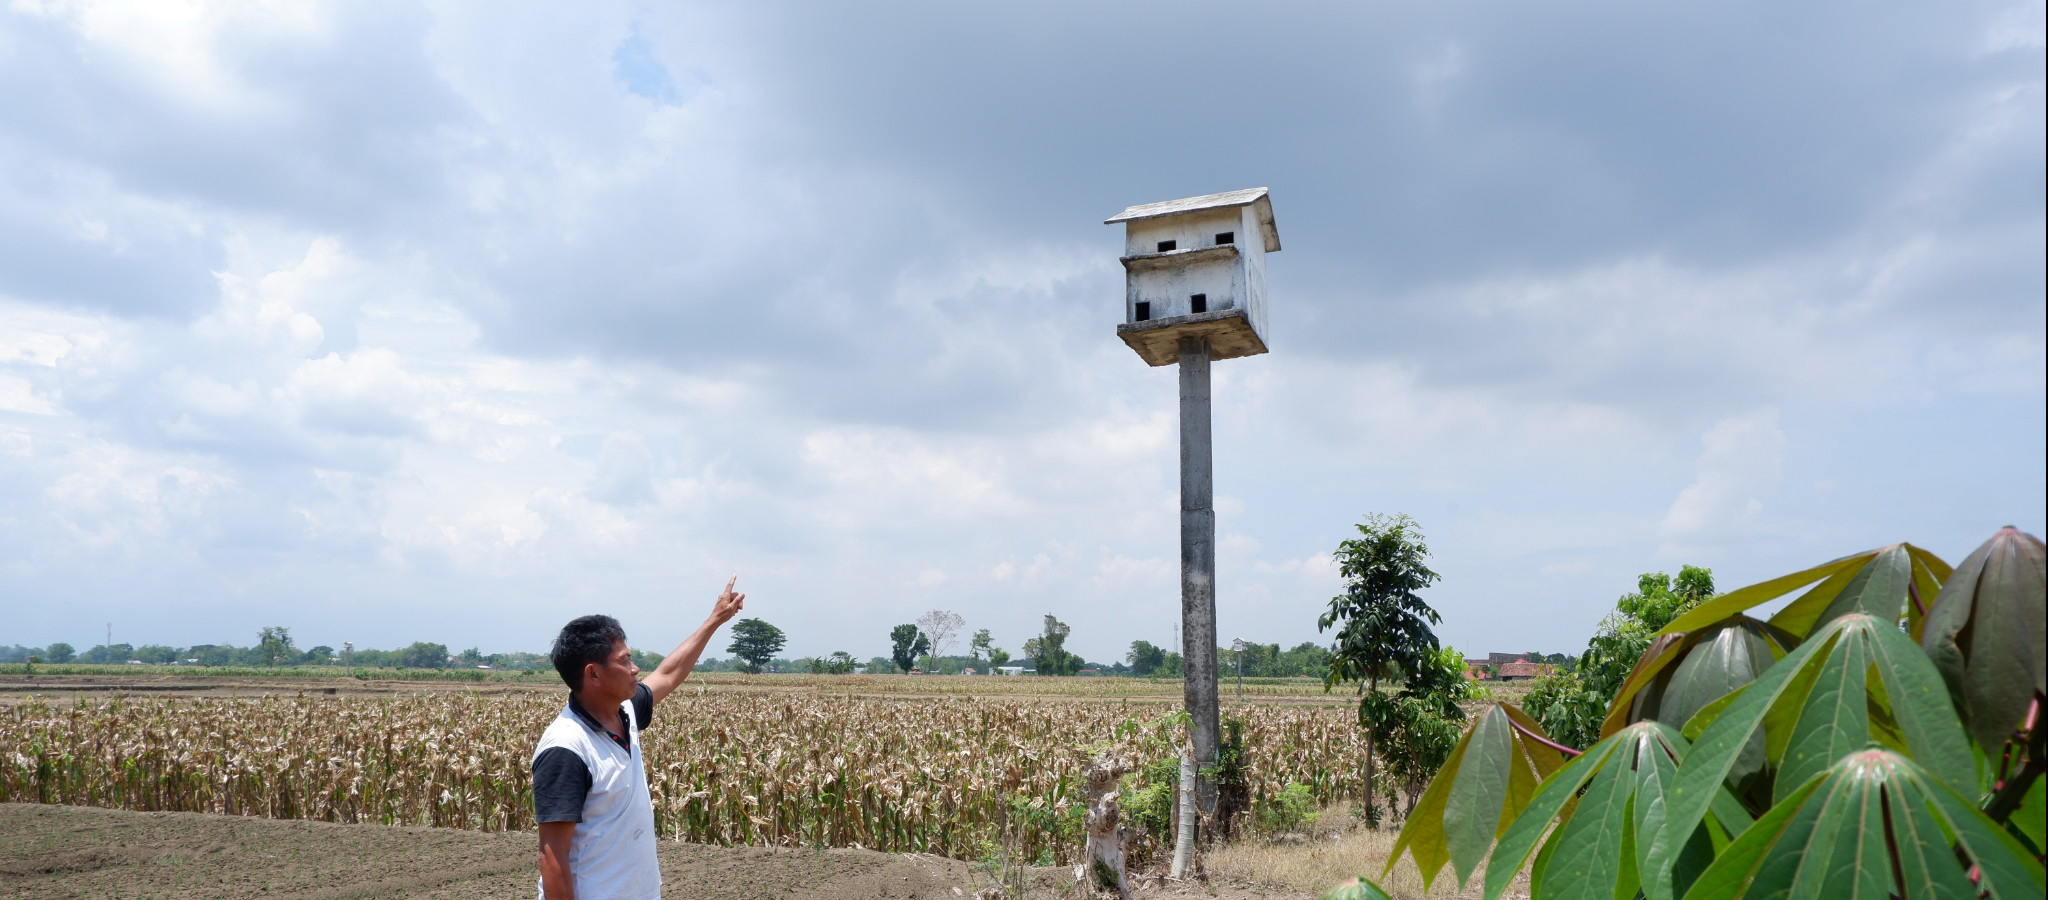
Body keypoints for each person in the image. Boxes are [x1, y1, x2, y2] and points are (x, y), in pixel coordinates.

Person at [533, 577, 746, 899]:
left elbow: (668, 674)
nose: (635, 669)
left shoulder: (625, 712)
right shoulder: (566, 748)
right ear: (593, 673)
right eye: (624, 661)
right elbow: (553, 856)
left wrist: (715, 620)